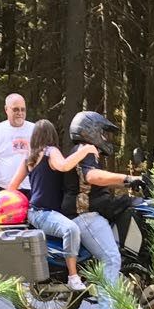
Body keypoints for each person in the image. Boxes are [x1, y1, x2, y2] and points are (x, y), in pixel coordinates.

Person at [65, 110, 136, 290]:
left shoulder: (86, 151)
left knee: (131, 205)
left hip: (91, 211)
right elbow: (92, 176)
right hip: (84, 214)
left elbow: (99, 183)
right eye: (102, 132)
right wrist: (126, 178)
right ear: (90, 131)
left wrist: (130, 183)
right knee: (111, 258)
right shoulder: (85, 151)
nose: (105, 137)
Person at [22, 120, 94, 291]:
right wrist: (85, 150)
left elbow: (12, 185)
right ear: (52, 135)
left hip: (34, 212)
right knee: (71, 229)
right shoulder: (50, 151)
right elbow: (64, 166)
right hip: (44, 213)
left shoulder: (30, 158)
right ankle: (73, 276)